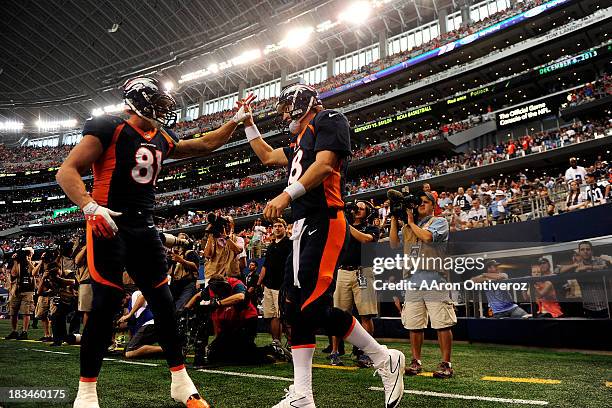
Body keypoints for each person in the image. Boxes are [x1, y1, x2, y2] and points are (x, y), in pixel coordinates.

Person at [56, 76, 254, 408]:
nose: (162, 107)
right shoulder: (110, 127)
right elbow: (67, 171)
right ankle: (86, 393)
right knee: (104, 306)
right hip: (109, 223)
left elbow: (203, 145)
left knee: (163, 303)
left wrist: (234, 121)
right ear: (136, 101)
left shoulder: (161, 136)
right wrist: (90, 207)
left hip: (144, 227)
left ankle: (181, 382)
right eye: (155, 100)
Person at [243, 84, 405, 408]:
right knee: (293, 310)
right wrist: (247, 121)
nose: (285, 115)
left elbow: (326, 165)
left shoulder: (329, 119)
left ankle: (383, 357)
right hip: (302, 227)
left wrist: (286, 195)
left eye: (287, 109)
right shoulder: (299, 141)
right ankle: (302, 394)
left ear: (301, 104)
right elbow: (264, 154)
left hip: (325, 220)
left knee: (314, 308)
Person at [389, 190, 456, 379]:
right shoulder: (409, 227)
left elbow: (427, 237)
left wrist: (409, 222)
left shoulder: (439, 222)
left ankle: (446, 363)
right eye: (420, 202)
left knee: (442, 323)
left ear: (433, 205)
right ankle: (416, 362)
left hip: (434, 278)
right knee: (414, 324)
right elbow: (393, 244)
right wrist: (395, 218)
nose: (421, 204)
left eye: (426, 202)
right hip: (412, 280)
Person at [330, 200, 380, 368]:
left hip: (363, 271)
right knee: (338, 314)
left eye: (361, 208)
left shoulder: (371, 228)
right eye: (355, 208)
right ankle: (334, 351)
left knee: (366, 314)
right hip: (343, 271)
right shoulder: (343, 225)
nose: (357, 210)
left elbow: (365, 240)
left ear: (368, 212)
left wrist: (344, 224)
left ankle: (366, 352)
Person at [257, 218, 292, 350]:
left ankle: (291, 344)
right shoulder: (271, 246)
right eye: (275, 226)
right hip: (269, 286)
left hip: (282, 286)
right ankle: (276, 343)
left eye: (279, 226)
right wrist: (259, 283)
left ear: (284, 228)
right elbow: (265, 266)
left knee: (285, 317)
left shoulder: (289, 243)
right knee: (272, 316)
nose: (277, 228)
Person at [559, 241, 610, 318]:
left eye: (587, 249)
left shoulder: (599, 260)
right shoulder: (577, 265)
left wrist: (588, 267)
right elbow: (559, 270)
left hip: (605, 306)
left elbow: (605, 266)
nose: (585, 251)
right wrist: (574, 265)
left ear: (592, 251)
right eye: (582, 250)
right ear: (579, 252)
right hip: (588, 308)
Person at [118, 290, 162, 359]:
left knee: (129, 351)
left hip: (151, 323)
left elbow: (142, 296)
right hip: (152, 325)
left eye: (121, 301)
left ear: (127, 296)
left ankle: (171, 349)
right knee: (127, 349)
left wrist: (129, 315)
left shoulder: (135, 294)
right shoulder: (131, 308)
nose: (121, 305)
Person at [5, 247, 35, 340]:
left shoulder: (31, 262)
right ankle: (14, 331)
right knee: (13, 313)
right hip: (16, 290)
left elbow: (33, 272)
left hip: (28, 290)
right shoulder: (15, 262)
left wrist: (28, 260)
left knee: (26, 312)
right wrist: (15, 261)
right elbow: (14, 274)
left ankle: (24, 332)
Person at [203, 215, 244, 280]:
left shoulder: (238, 239)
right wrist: (211, 234)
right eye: (224, 223)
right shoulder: (213, 239)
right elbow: (207, 255)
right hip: (213, 277)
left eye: (228, 222)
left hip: (231, 276)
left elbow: (238, 250)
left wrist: (226, 237)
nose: (226, 225)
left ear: (233, 225)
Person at [168, 233, 200, 312]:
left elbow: (195, 266)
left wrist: (181, 260)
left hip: (188, 284)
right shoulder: (174, 254)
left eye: (182, 239)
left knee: (179, 307)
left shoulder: (190, 252)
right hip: (175, 285)